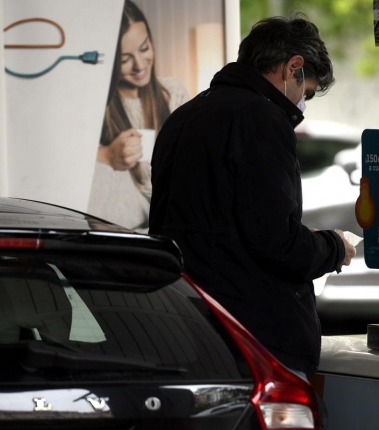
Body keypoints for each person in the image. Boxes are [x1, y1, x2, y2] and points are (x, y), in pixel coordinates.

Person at [149, 14, 357, 379]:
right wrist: (335, 248)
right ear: (293, 67)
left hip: (186, 326)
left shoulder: (183, 117)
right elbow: (276, 242)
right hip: (254, 339)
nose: (302, 104)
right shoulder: (262, 119)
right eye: (305, 92)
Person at [88, 0, 190, 233]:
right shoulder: (98, 105)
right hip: (122, 223)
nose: (139, 65)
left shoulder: (171, 93)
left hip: (172, 215)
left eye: (144, 48)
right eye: (124, 59)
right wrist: (106, 156)